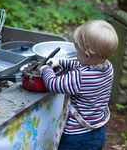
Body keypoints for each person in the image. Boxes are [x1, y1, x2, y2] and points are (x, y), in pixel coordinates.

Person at [39, 20, 118, 150]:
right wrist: (60, 62)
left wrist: (45, 69)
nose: (76, 54)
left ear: (87, 56)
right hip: (98, 130)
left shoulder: (80, 77)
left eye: (77, 51)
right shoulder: (108, 67)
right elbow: (80, 65)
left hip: (76, 137)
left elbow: (53, 84)